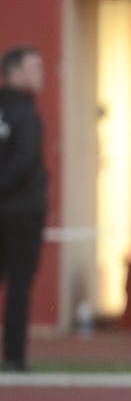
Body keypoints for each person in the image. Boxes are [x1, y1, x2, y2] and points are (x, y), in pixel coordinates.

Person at [0, 45, 47, 372]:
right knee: (19, 284)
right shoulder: (27, 115)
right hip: (22, 212)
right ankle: (14, 357)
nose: (40, 74)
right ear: (15, 72)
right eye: (34, 67)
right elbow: (25, 161)